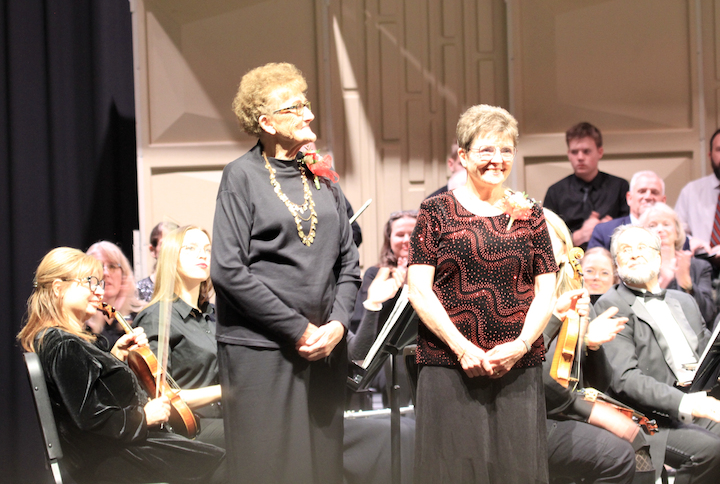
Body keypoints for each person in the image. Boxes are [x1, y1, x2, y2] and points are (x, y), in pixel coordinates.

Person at [211, 62, 360, 484]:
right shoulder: (241, 176)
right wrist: (298, 329)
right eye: (294, 108)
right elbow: (227, 270)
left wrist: (337, 326)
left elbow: (349, 265)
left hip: (324, 350)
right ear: (267, 122)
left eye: (306, 104)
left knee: (324, 470)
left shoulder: (323, 178)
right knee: (273, 470)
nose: (308, 114)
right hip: (262, 352)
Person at [407, 104, 558, 483]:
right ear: (463, 156)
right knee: (453, 470)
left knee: (518, 471)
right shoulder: (436, 210)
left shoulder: (532, 213)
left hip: (517, 366)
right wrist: (462, 348)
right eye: (486, 150)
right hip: (449, 364)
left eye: (506, 150)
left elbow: (546, 290)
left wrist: (521, 345)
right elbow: (419, 289)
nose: (497, 159)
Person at [16, 247, 225, 484]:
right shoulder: (64, 344)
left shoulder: (61, 340)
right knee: (229, 462)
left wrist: (115, 356)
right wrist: (144, 417)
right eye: (90, 282)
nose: (99, 291)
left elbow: (92, 392)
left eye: (100, 283)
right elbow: (91, 420)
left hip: (117, 451)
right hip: (115, 458)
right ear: (58, 288)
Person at [595, 225, 720, 483]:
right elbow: (625, 379)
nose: (634, 254)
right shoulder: (611, 304)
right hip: (653, 416)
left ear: (659, 256)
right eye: (625, 250)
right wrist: (689, 403)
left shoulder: (684, 300)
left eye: (642, 247)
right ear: (617, 264)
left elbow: (710, 357)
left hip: (699, 403)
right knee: (712, 451)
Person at [542, 209, 653, 484]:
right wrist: (591, 413)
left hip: (566, 405)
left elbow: (600, 383)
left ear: (565, 250)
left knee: (640, 442)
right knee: (619, 452)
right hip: (541, 410)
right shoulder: (522, 300)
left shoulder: (576, 298)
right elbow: (540, 375)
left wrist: (592, 346)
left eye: (545, 238)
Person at [133, 225, 224, 448]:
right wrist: (225, 391)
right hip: (187, 428)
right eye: (191, 248)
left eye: (207, 249)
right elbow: (160, 395)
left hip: (225, 417)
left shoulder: (215, 315)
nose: (202, 254)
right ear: (171, 257)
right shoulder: (157, 317)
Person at [543, 122, 629, 249]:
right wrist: (577, 237)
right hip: (568, 258)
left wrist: (608, 230)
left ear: (600, 152)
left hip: (610, 256)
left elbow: (631, 229)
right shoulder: (555, 192)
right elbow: (546, 239)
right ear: (568, 154)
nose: (580, 157)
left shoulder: (620, 187)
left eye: (586, 151)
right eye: (574, 152)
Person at [640, 202, 716, 327]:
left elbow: (708, 314)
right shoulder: (637, 268)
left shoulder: (700, 267)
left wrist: (687, 284)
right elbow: (638, 315)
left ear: (677, 231)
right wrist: (664, 280)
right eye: (652, 225)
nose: (660, 229)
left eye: (666, 224)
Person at [349, 210, 418, 334]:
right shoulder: (374, 274)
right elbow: (361, 323)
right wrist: (396, 289)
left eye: (413, 234)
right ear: (389, 239)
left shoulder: (436, 273)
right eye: (400, 235)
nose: (407, 240)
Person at [588, 170, 667, 251]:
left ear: (663, 200)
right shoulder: (604, 232)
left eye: (654, 192)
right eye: (642, 191)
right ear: (629, 198)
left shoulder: (671, 233)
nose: (648, 197)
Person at [86, 241, 143, 348]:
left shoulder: (140, 316)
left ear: (124, 273)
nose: (106, 273)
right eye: (99, 266)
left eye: (112, 266)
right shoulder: (81, 318)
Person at [675, 128, 720, 258]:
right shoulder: (691, 191)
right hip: (700, 261)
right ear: (710, 155)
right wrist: (691, 240)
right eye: (719, 150)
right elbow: (677, 231)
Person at [137, 220, 179, 302]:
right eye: (165, 243)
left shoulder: (189, 289)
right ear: (152, 250)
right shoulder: (138, 291)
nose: (172, 248)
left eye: (176, 243)